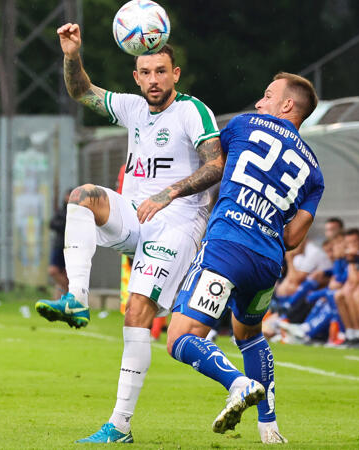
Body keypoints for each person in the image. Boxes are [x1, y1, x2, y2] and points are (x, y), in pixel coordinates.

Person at [36, 23, 221, 443]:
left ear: (175, 74)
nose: (153, 79)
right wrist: (71, 54)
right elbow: (82, 91)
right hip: (136, 215)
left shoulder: (192, 111)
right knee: (82, 195)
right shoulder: (133, 108)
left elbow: (216, 165)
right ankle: (76, 300)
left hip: (176, 222)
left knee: (137, 312)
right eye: (146, 72)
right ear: (135, 77)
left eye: (161, 71)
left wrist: (169, 192)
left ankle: (119, 426)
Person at [166, 72, 323, 444]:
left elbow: (213, 165)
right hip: (268, 263)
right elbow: (294, 238)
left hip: (227, 246)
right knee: (249, 333)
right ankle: (268, 426)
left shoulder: (243, 125)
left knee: (180, 337)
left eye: (267, 96)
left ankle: (237, 384)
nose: (259, 103)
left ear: (287, 105)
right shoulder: (315, 172)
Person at [48, 188, 71, 299]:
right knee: (54, 271)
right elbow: (52, 224)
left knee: (67, 274)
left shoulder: (76, 212)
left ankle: (62, 300)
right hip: (58, 245)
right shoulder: (61, 211)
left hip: (70, 247)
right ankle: (66, 289)